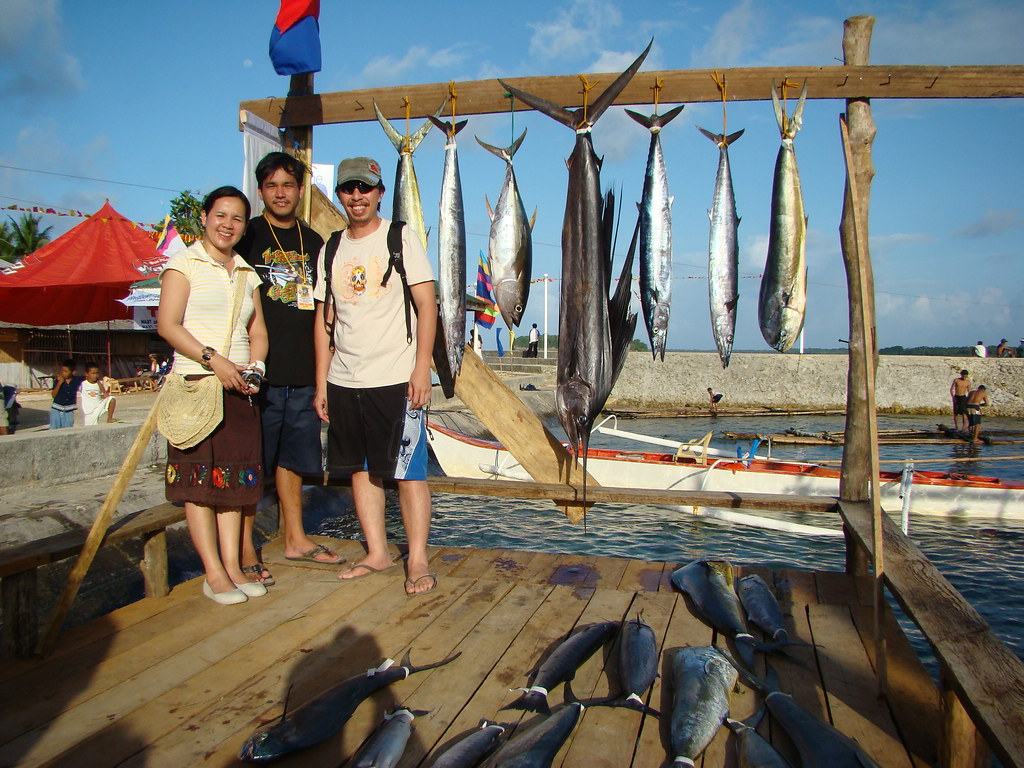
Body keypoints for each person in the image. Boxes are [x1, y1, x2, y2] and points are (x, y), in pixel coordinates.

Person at [313, 156, 438, 595]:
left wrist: (422, 368)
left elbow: (428, 305)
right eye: (348, 188)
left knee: (408, 472)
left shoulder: (400, 238)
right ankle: (377, 552)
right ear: (340, 194)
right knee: (361, 471)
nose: (357, 196)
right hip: (345, 381)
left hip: (397, 379)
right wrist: (321, 382)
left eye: (365, 188)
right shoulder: (330, 248)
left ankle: (418, 559)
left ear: (380, 192)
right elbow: (324, 321)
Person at [157, 186, 270, 605]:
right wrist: (214, 360)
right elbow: (168, 325)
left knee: (233, 484)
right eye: (220, 215)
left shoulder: (245, 271)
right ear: (204, 217)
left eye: (237, 218)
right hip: (197, 387)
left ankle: (234, 567)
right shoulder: (183, 264)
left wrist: (255, 365)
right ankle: (214, 573)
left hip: (241, 391)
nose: (228, 224)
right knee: (198, 484)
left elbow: (257, 331)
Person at [235, 151, 343, 580]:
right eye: (272, 185)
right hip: (256, 372)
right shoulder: (247, 235)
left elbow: (326, 312)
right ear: (260, 191)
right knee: (250, 462)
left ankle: (295, 537)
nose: (281, 193)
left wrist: (324, 377)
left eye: (288, 185)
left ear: (301, 191)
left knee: (295, 461)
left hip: (302, 374)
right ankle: (244, 546)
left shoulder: (314, 241)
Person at [49, 359, 83, 429]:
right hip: (56, 409)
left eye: (66, 371)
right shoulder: (58, 380)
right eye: (62, 371)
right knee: (54, 430)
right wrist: (59, 383)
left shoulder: (77, 380)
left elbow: (90, 378)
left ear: (73, 372)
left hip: (69, 410)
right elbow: (53, 395)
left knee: (68, 429)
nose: (63, 373)